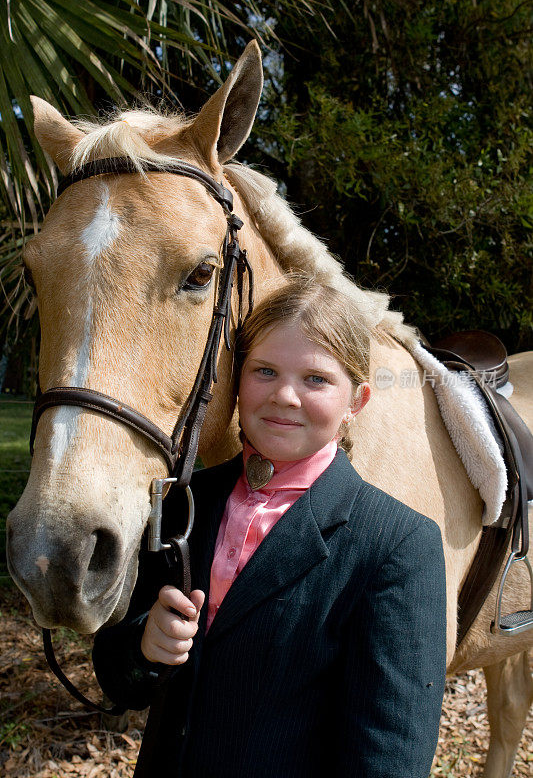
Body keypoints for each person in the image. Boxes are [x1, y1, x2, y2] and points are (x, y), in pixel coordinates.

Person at [93, 279, 447, 778]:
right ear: (236, 381)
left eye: (316, 379)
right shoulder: (183, 500)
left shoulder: (396, 544)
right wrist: (144, 648)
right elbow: (116, 675)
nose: (285, 395)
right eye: (265, 371)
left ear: (357, 402)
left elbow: (390, 751)